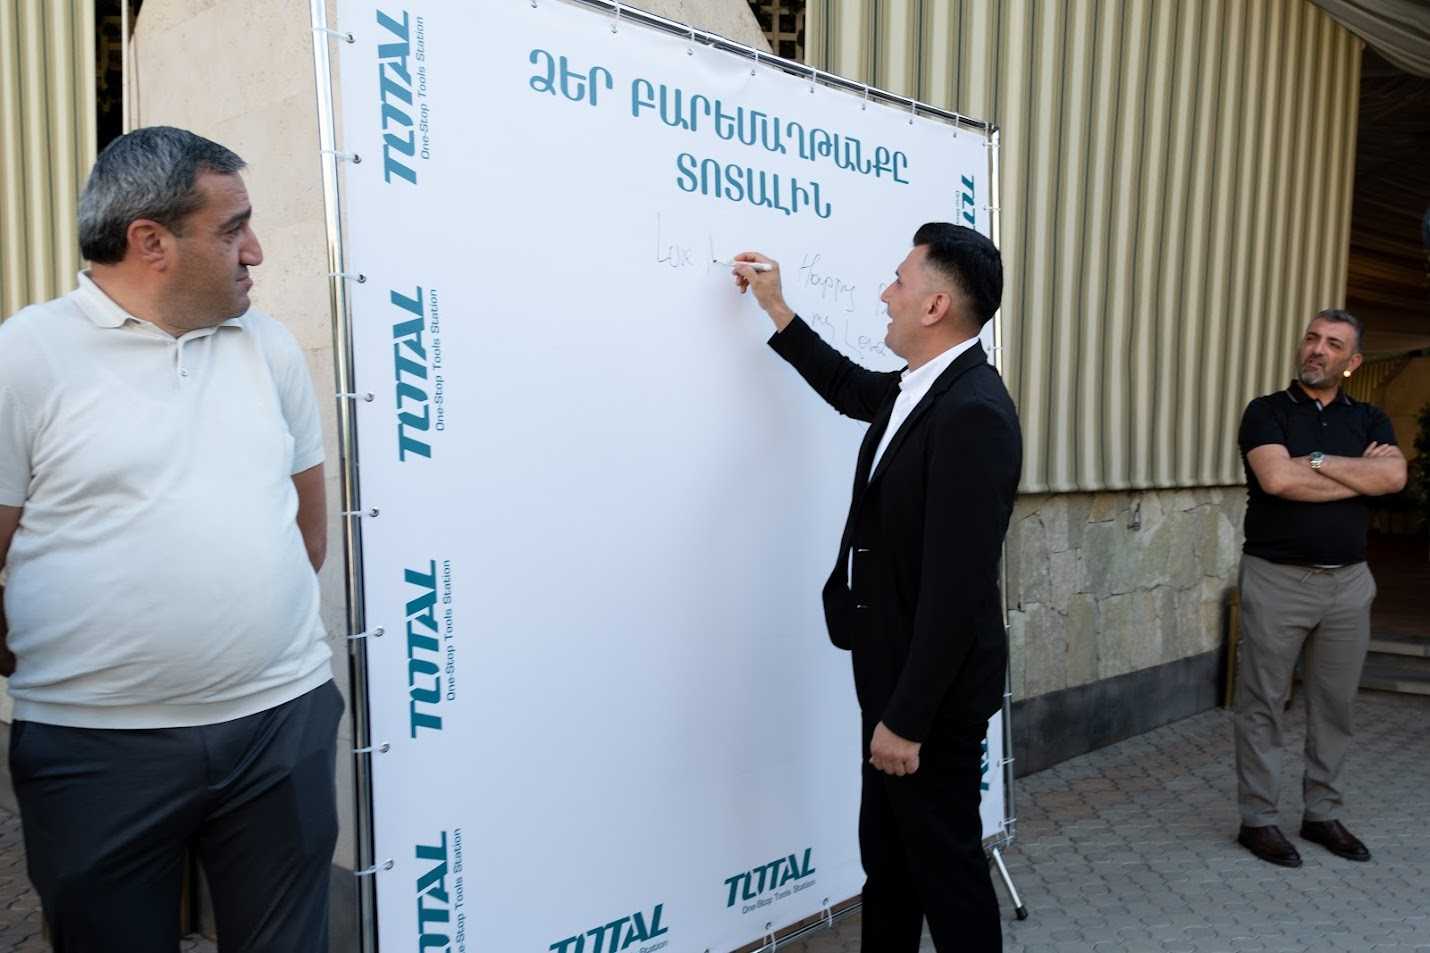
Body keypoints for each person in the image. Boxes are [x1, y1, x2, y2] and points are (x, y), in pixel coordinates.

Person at [0, 126, 340, 952]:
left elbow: (308, 525)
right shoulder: (24, 356)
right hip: (96, 747)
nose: (255, 250)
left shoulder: (270, 346)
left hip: (281, 727)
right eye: (232, 229)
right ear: (149, 241)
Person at [728, 223, 1021, 952]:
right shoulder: (920, 388)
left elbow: (957, 591)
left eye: (899, 281)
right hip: (893, 673)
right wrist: (776, 307)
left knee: (945, 873)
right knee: (889, 864)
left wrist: (908, 720)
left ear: (935, 307)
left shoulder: (973, 414)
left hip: (930, 699)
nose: (885, 295)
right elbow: (849, 387)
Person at [1234, 308, 1406, 868]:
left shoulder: (1370, 417)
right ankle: (1258, 821)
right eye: (1312, 338)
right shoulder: (1267, 411)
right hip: (1276, 579)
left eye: (1333, 344)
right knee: (1263, 703)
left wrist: (1315, 462)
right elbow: (1277, 479)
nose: (1317, 349)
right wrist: (1357, 475)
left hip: (1349, 585)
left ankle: (1321, 813)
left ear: (1352, 362)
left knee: (1335, 705)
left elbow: (1393, 477)